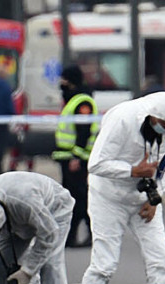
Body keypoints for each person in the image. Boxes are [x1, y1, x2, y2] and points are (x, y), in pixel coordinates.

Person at [64, 91, 165, 284]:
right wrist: (132, 171)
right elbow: (95, 163)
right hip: (108, 197)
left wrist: (156, 197)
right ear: (152, 115)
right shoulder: (122, 118)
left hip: (143, 198)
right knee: (105, 264)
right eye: (164, 125)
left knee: (161, 258)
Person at [52, 64, 98, 248]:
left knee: (79, 198)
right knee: (72, 198)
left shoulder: (82, 102)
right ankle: (71, 236)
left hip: (77, 159)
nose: (61, 83)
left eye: (64, 79)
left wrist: (76, 157)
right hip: (67, 157)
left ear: (71, 81)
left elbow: (83, 132)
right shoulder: (73, 100)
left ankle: (90, 233)